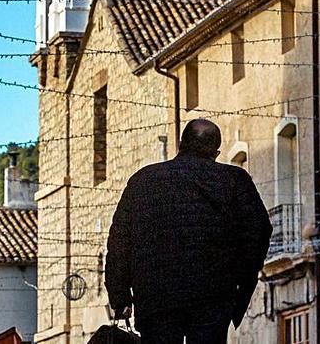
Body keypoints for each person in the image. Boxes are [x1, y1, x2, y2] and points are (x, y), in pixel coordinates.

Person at [105, 119, 272, 344]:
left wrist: (120, 297)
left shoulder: (142, 181)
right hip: (212, 295)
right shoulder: (234, 180)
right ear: (216, 151)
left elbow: (119, 242)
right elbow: (258, 231)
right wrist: (239, 282)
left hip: (156, 297)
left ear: (181, 144)